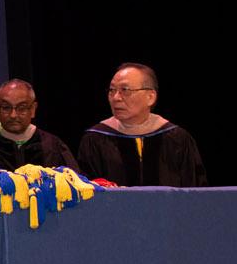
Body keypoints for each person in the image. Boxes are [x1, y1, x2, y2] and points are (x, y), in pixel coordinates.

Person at [77, 63, 206, 186]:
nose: (116, 97)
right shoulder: (95, 139)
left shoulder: (178, 139)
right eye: (112, 90)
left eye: (125, 90)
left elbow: (194, 193)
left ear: (150, 97)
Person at [0, 79, 78, 172]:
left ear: (33, 109)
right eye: (6, 107)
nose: (13, 115)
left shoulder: (52, 145)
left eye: (21, 108)